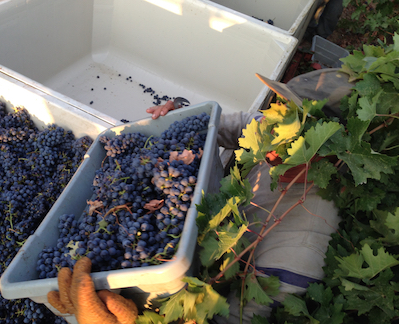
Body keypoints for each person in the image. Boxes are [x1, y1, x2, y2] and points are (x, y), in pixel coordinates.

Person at [146, 68, 354, 323]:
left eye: (296, 121)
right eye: (282, 107)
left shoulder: (299, 252)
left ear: (333, 145)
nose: (272, 124)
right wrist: (177, 113)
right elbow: (218, 126)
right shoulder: (276, 135)